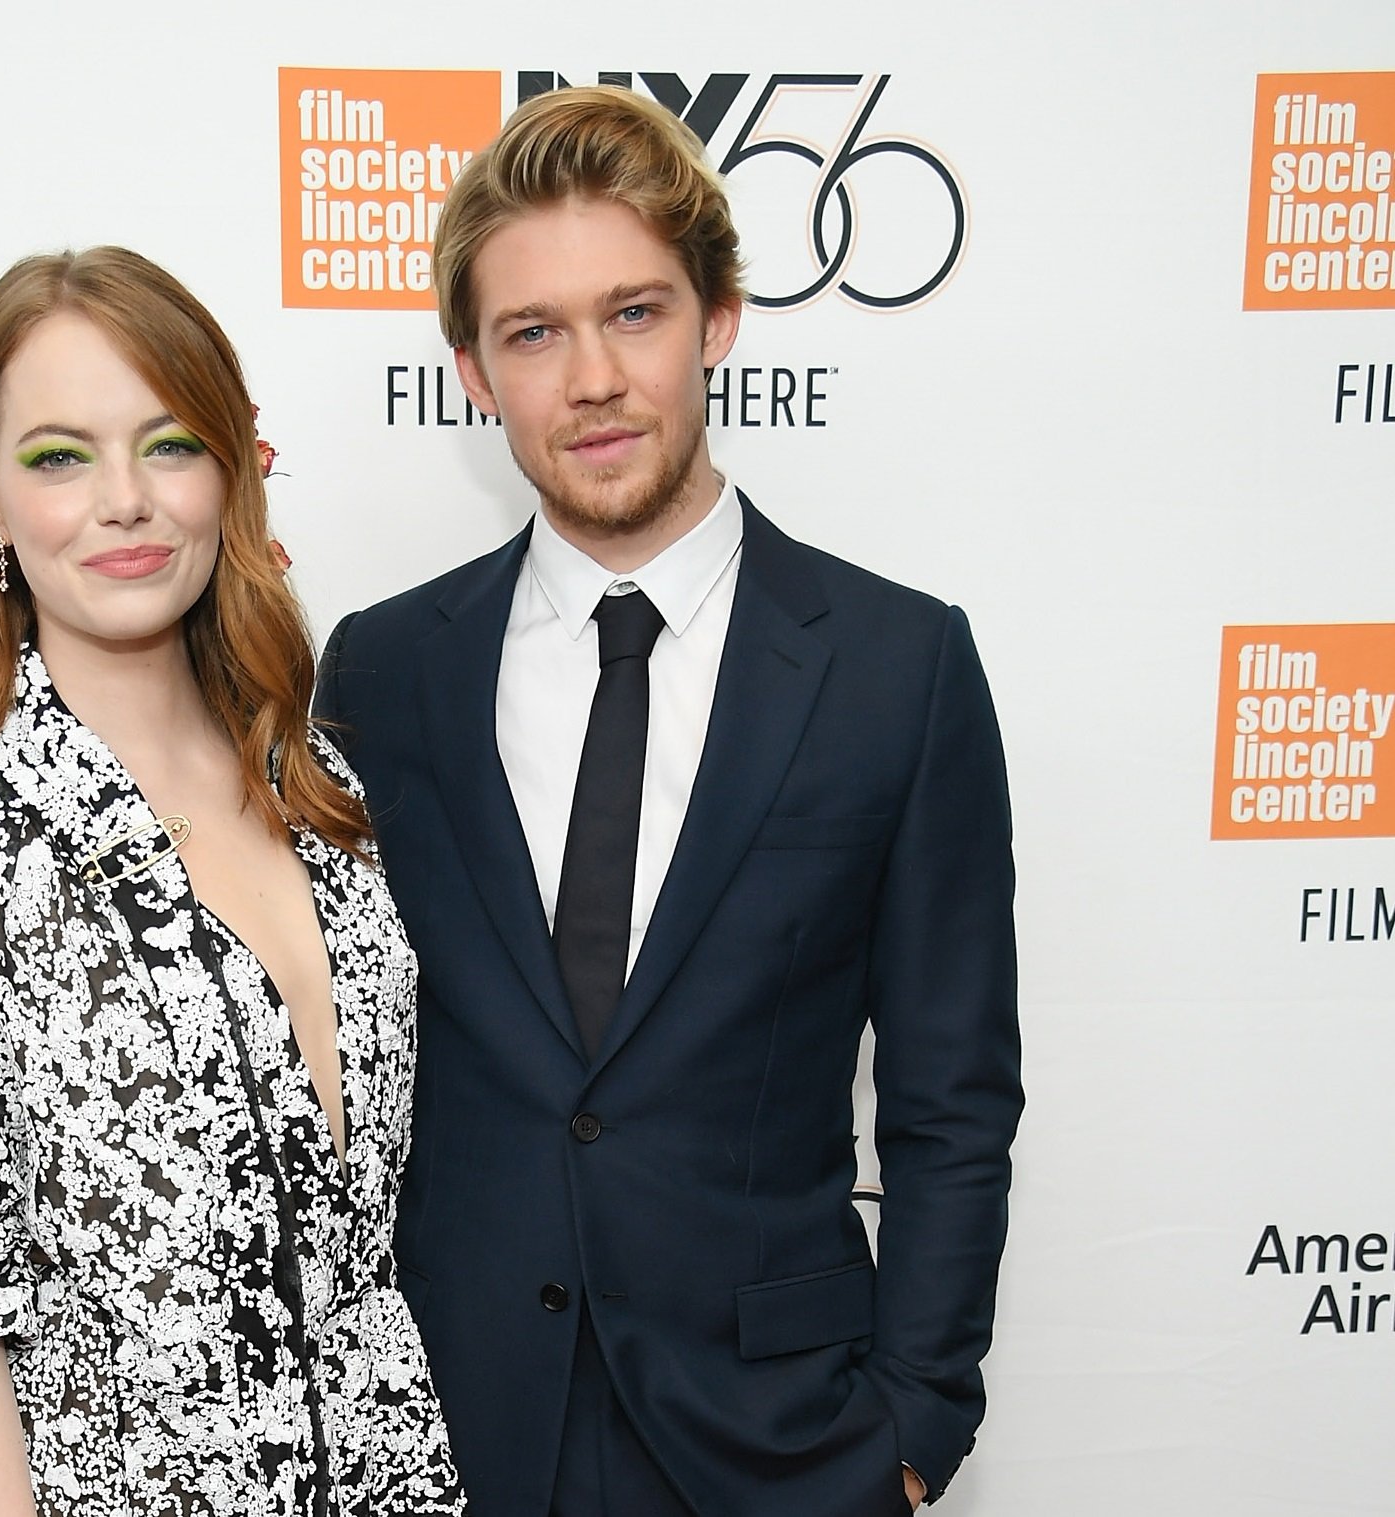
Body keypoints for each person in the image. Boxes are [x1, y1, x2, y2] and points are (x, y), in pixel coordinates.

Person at [315, 87, 1021, 1517]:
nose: (589, 379)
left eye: (632, 313)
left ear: (715, 321)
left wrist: (909, 1429)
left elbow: (951, 1100)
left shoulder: (898, 664)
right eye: (532, 332)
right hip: (455, 1432)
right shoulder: (383, 672)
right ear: (472, 368)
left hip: (785, 1440)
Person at [0, 247, 464, 1517]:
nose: (123, 501)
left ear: (231, 468)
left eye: (167, 443)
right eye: (58, 456)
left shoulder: (319, 794)